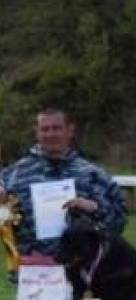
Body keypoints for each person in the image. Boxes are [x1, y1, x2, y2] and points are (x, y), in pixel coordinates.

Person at [0, 108, 127, 282]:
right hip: (34, 274)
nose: (51, 134)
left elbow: (119, 221)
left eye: (57, 128)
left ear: (70, 130)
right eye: (45, 129)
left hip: (85, 273)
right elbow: (5, 223)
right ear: (36, 133)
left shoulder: (93, 175)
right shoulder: (12, 176)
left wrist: (95, 207)